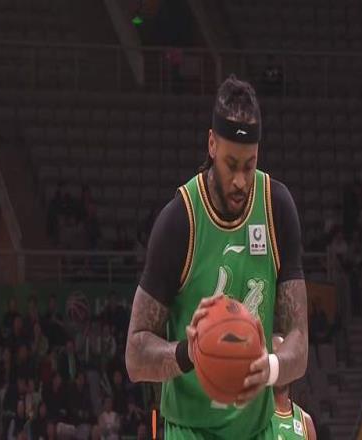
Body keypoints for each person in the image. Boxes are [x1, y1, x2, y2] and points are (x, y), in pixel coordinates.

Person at [125, 75, 308, 439]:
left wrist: (270, 368)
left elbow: (299, 341)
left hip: (257, 430)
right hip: (190, 430)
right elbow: (135, 357)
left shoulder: (277, 208)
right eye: (231, 164)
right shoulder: (180, 221)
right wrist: (187, 353)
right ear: (211, 144)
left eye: (249, 165)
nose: (240, 180)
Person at [271, 336, 316, 440]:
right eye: (276, 360)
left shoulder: (306, 422)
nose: (280, 367)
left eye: (284, 361)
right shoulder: (254, 417)